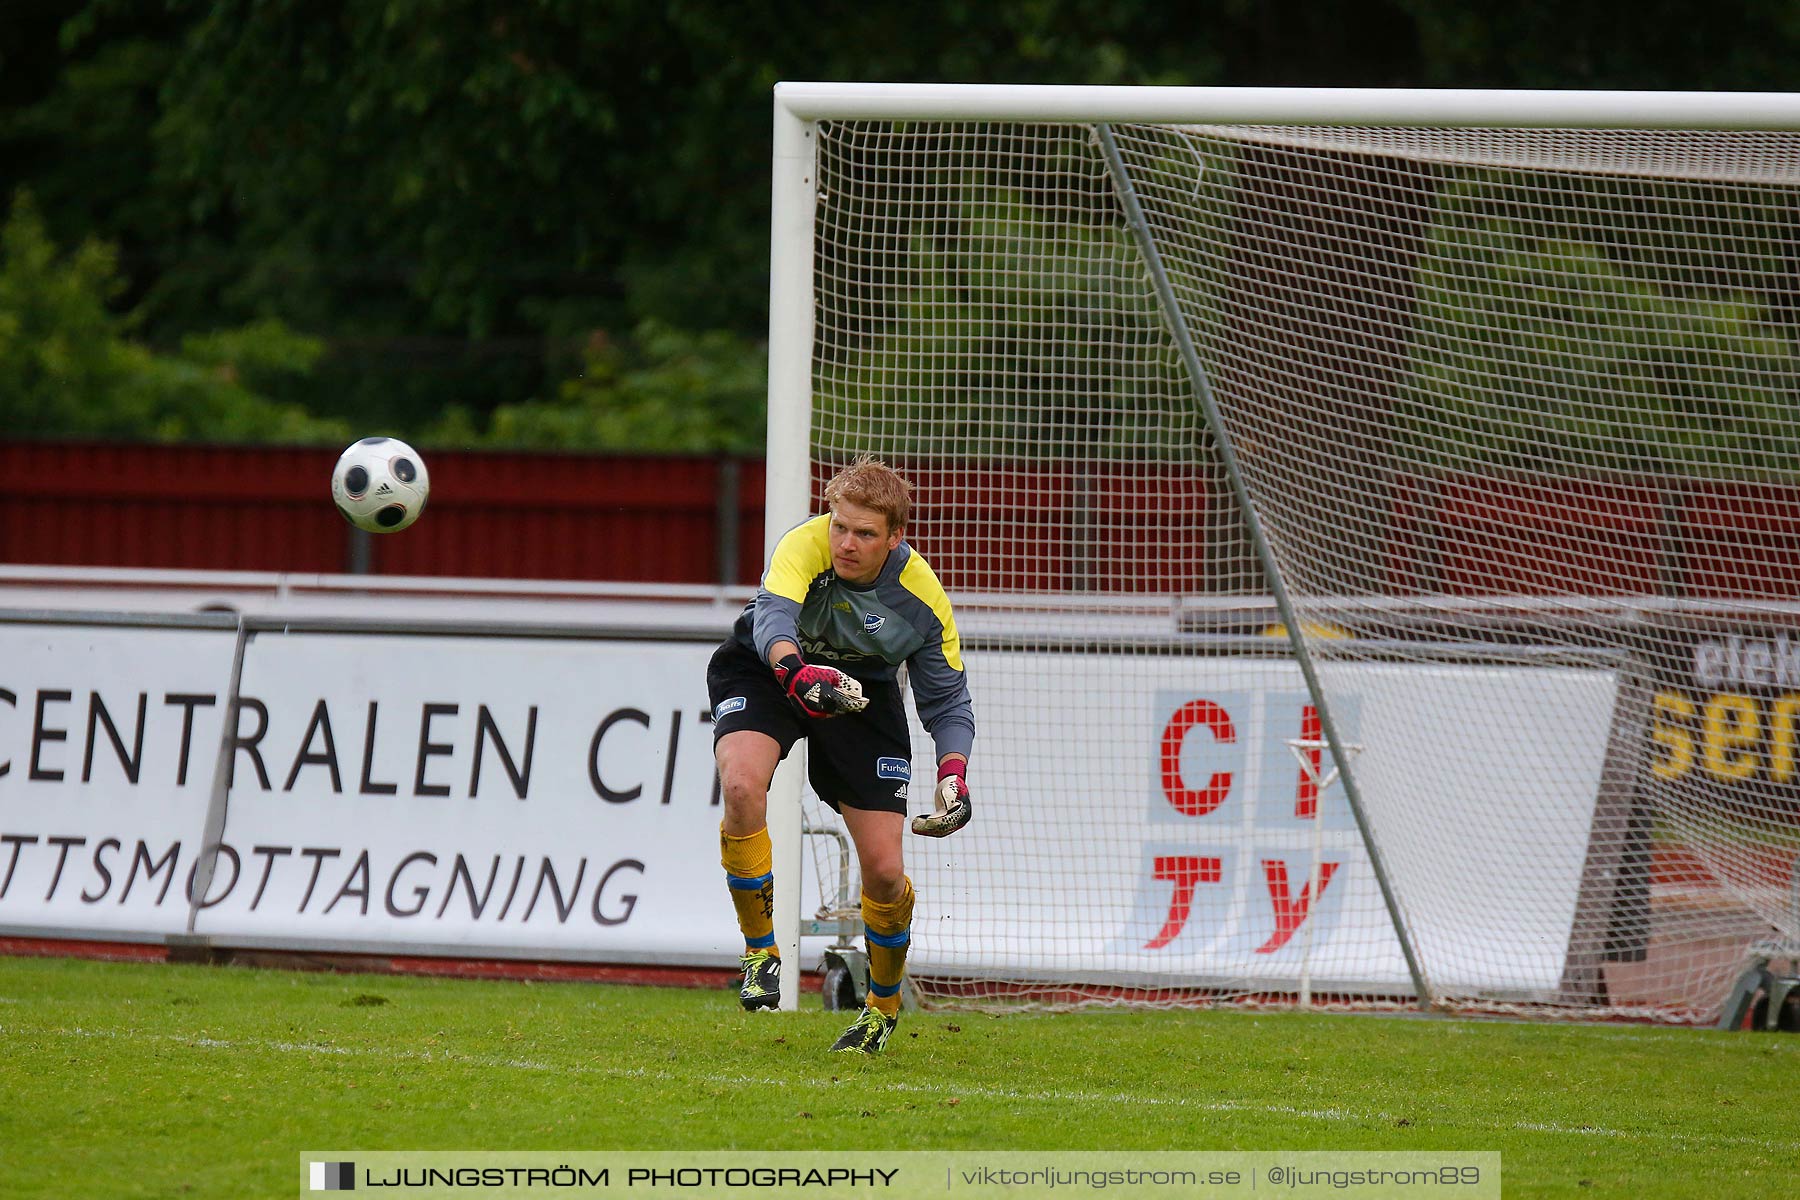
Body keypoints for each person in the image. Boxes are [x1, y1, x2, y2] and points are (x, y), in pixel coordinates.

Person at [707, 454, 974, 1054]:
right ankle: (761, 954)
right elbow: (773, 618)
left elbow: (948, 700)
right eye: (840, 525)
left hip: (863, 693)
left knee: (883, 870)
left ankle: (879, 1011)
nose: (846, 543)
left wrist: (954, 772)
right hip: (772, 670)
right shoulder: (804, 544)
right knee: (743, 785)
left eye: (865, 533)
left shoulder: (921, 600)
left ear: (896, 538)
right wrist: (795, 673)